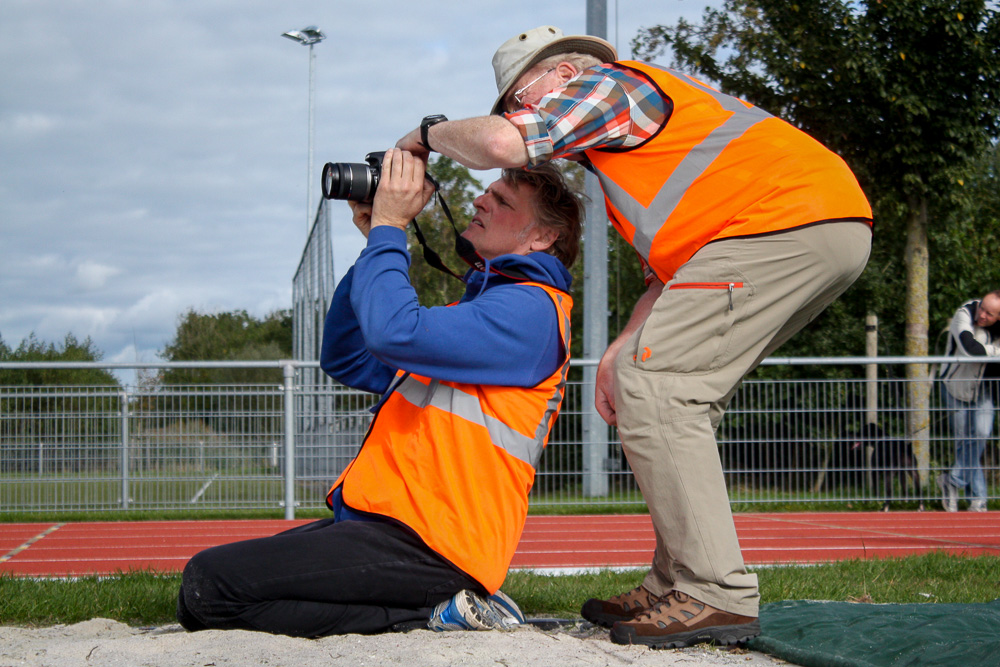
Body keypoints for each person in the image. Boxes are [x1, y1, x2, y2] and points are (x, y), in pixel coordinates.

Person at [396, 25, 873, 648]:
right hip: (799, 225)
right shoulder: (630, 157)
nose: (519, 116)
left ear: (561, 78)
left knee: (662, 387)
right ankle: (674, 580)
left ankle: (714, 593)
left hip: (785, 222)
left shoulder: (608, 87)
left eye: (518, 99)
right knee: (653, 383)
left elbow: (498, 144)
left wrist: (424, 135)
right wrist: (619, 352)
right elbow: (671, 275)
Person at [175, 148, 584, 637]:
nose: (479, 200)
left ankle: (431, 613)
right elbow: (347, 357)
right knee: (203, 595)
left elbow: (395, 332)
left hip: (435, 543)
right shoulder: (484, 311)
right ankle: (438, 612)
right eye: (486, 191)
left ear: (542, 236)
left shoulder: (532, 311)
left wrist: (391, 228)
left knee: (211, 584)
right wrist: (376, 239)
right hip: (399, 530)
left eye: (501, 199)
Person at [937, 291, 1000, 513]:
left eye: (989, 314)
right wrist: (996, 352)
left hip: (983, 389)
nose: (981, 315)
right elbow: (970, 349)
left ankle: (951, 481)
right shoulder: (963, 314)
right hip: (955, 387)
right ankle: (978, 498)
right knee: (964, 440)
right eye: (982, 308)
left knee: (981, 434)